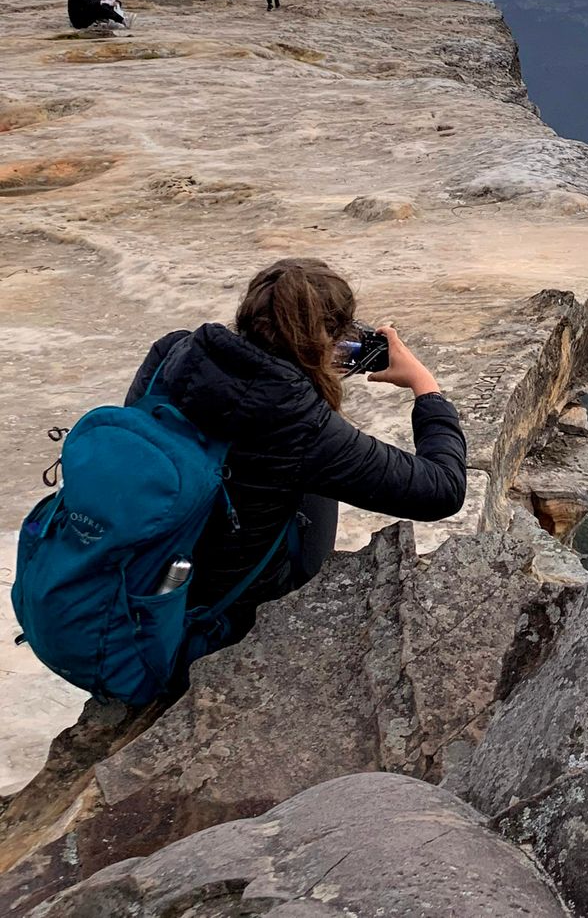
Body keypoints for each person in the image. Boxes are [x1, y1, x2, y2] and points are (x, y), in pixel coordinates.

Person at [123, 257, 466, 652]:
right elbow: (443, 488)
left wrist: (305, 371)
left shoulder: (172, 353)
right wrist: (426, 387)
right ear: (327, 340)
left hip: (143, 577)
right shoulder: (297, 423)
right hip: (220, 617)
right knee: (316, 468)